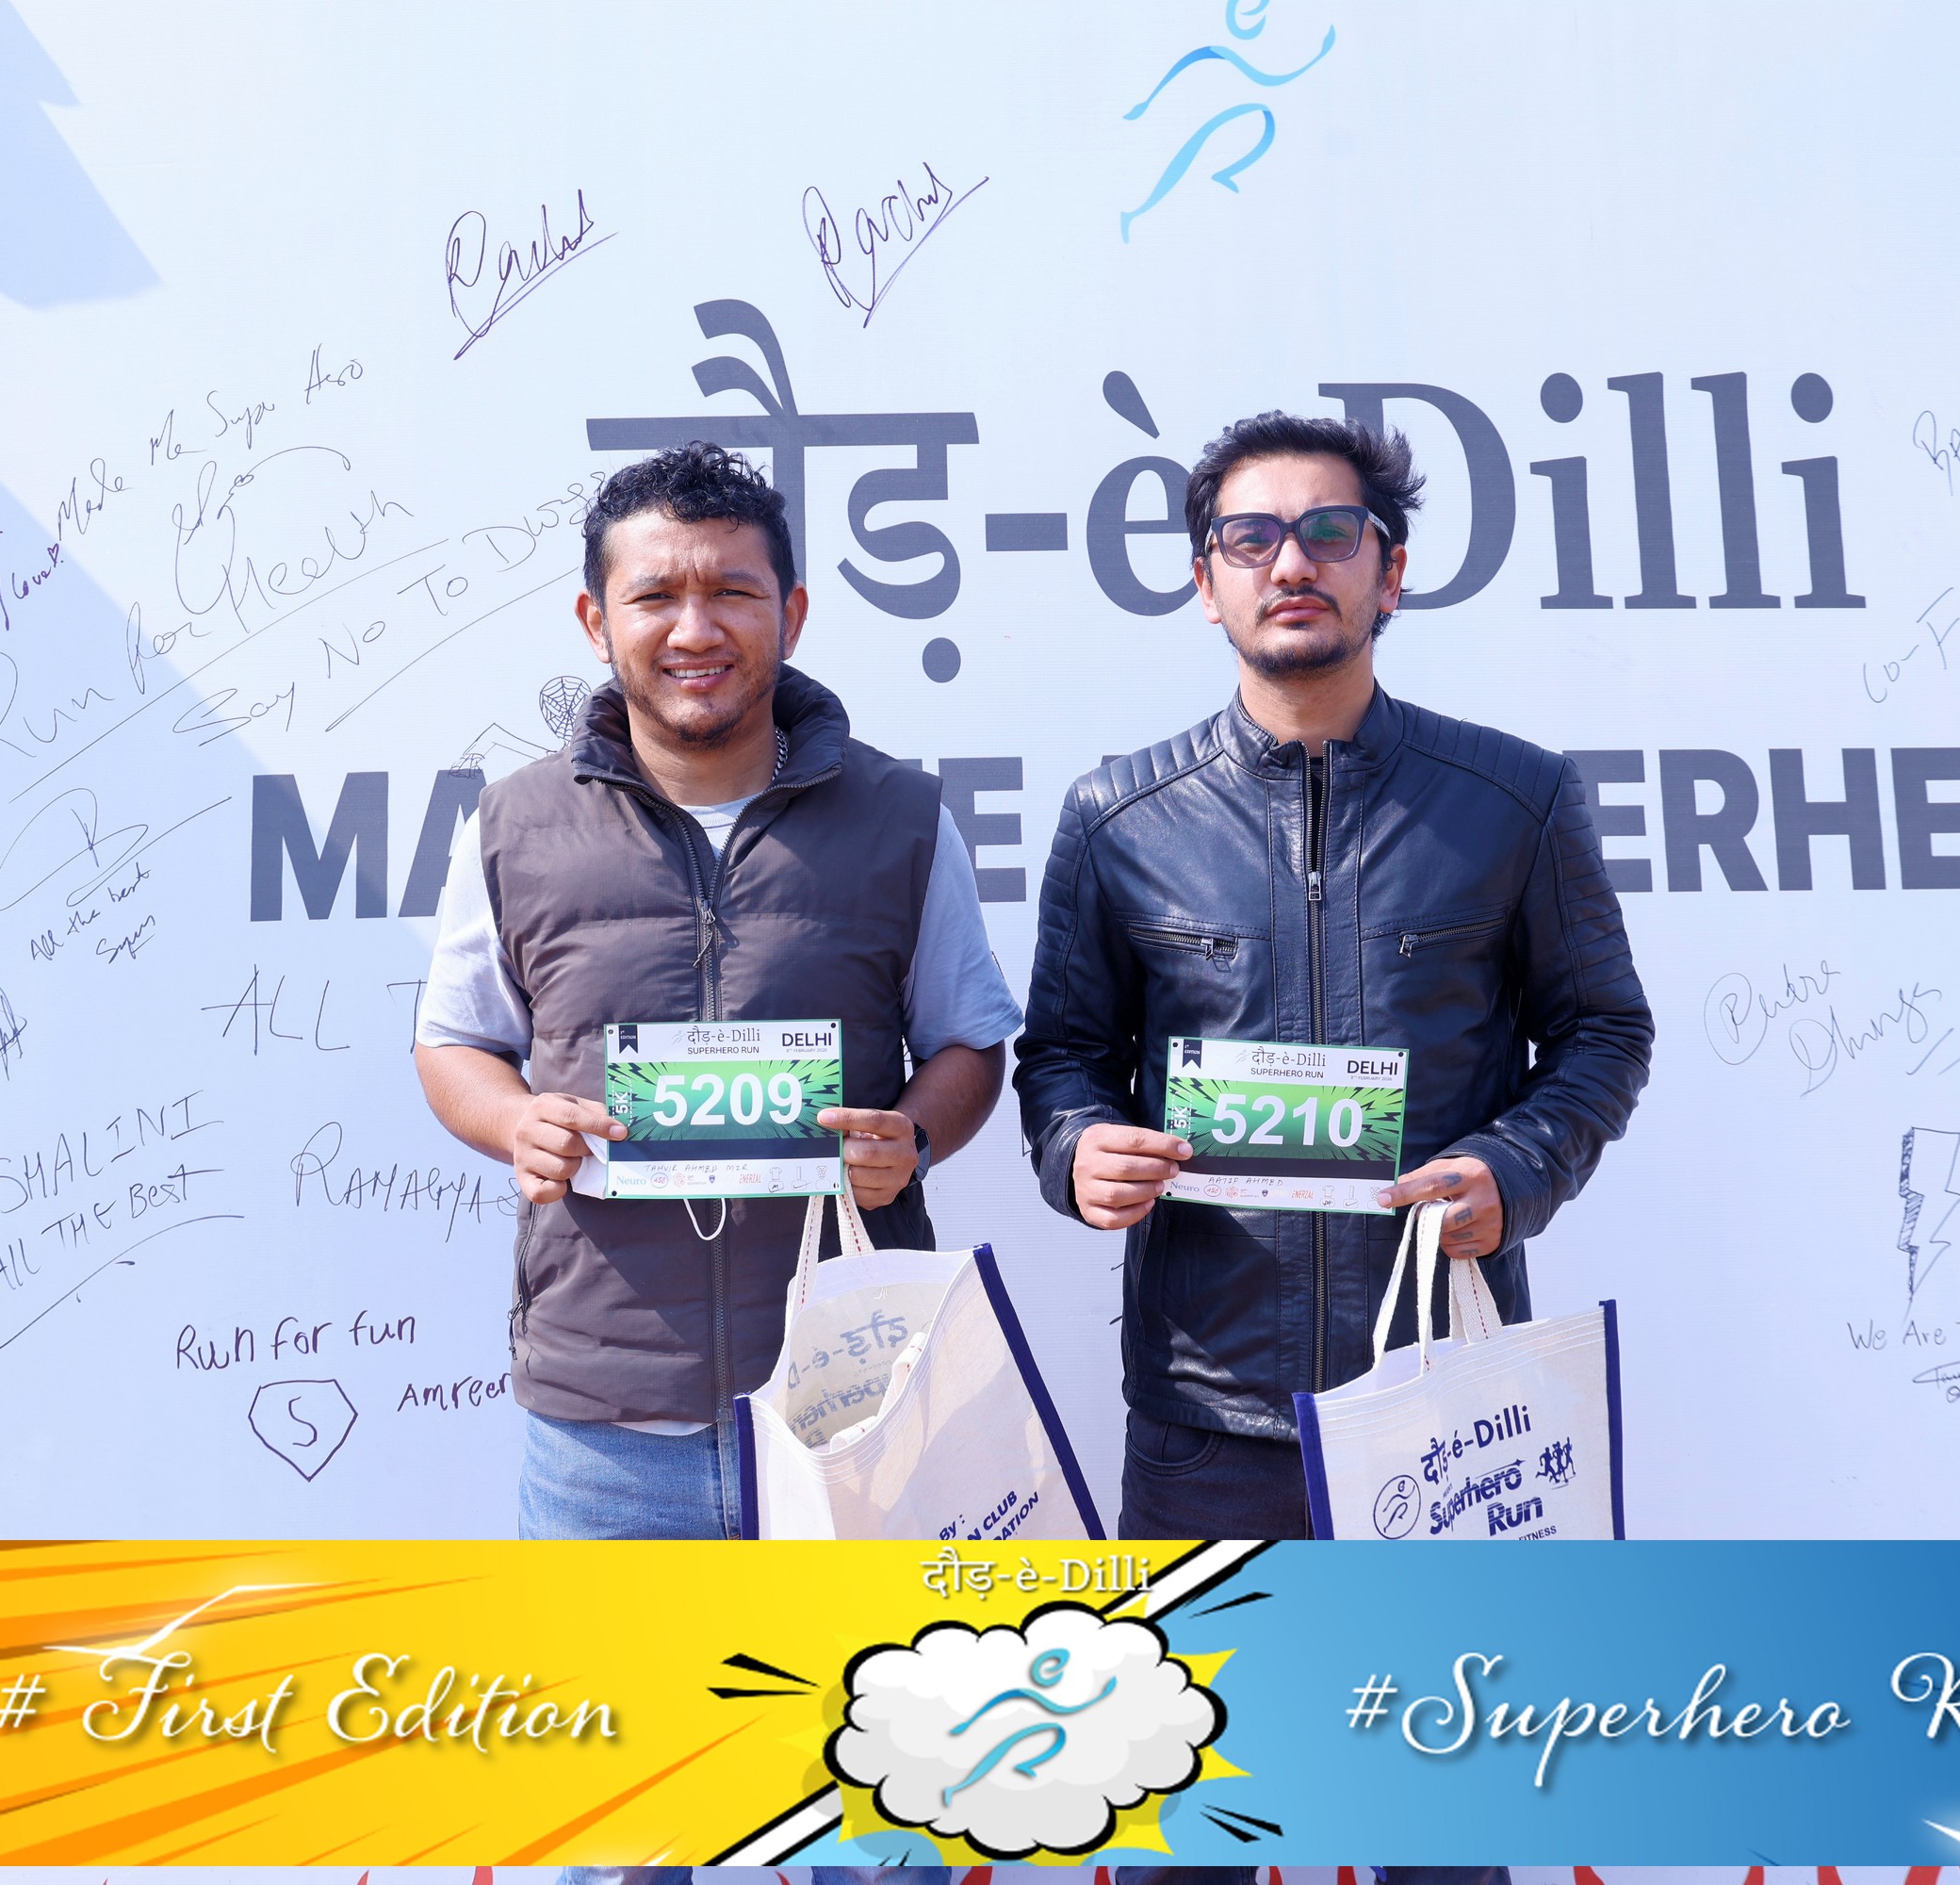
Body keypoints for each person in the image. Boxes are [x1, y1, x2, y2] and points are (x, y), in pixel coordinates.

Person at [1015, 410, 1657, 1542]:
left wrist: (1516, 1168)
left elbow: (1603, 1030)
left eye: (1329, 532)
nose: (1292, 564)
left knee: (1461, 1667)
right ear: (1207, 584)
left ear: (1390, 573)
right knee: (1213, 1668)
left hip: (1448, 1396)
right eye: (1251, 538)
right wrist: (1079, 1148)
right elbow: (1064, 1056)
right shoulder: (1119, 818)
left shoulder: (1516, 799)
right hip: (1204, 1422)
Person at [416, 442, 1021, 1541]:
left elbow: (970, 1041)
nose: (694, 629)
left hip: (851, 1410)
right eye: (655, 596)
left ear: (791, 612)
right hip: (603, 1431)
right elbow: (455, 1041)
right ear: (596, 621)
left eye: (733, 592)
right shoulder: (512, 825)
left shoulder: (904, 818)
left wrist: (916, 1136)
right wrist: (516, 1121)